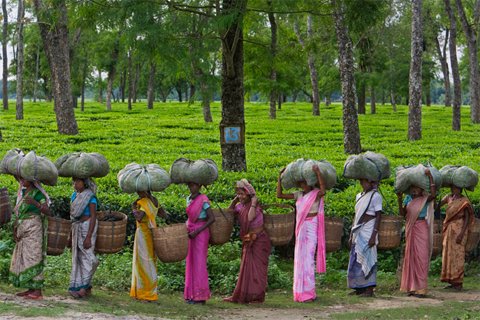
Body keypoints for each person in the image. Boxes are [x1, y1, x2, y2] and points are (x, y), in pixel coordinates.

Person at [277, 165, 326, 302]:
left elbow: (323, 190)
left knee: (309, 259)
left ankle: (309, 293)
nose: (302, 185)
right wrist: (279, 178)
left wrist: (317, 172)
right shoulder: (298, 195)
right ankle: (299, 292)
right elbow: (279, 195)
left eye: (305, 183)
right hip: (301, 227)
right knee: (300, 259)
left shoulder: (316, 193)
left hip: (312, 225)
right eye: (301, 183)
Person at [224, 179, 271, 304]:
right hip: (248, 240)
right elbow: (228, 213)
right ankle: (245, 294)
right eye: (238, 194)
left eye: (242, 194)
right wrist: (234, 201)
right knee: (246, 269)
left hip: (259, 240)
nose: (240, 197)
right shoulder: (239, 206)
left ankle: (257, 297)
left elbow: (250, 217)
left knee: (258, 270)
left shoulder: (254, 205)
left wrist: (254, 203)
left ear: (248, 194)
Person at [397, 168, 436, 298]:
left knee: (421, 257)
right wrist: (399, 198)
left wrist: (430, 177)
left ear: (421, 189)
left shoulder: (425, 198)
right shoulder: (408, 199)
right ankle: (412, 288)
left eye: (416, 188)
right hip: (411, 228)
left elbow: (434, 194)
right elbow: (403, 214)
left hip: (421, 227)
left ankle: (421, 288)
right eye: (412, 188)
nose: (414, 190)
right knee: (411, 258)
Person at [10, 177, 51, 300]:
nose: (21, 181)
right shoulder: (22, 192)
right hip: (22, 230)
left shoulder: (39, 194)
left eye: (24, 179)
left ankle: (37, 291)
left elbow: (48, 211)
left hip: (34, 230)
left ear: (32, 180)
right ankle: (30, 288)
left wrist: (35, 203)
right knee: (24, 258)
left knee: (34, 257)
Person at [347, 179, 382, 297]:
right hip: (358, 230)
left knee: (368, 258)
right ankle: (358, 287)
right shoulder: (359, 196)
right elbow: (356, 215)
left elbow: (378, 216)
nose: (364, 184)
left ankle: (369, 289)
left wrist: (374, 235)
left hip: (369, 229)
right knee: (356, 258)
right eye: (363, 182)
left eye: (367, 182)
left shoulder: (376, 196)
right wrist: (352, 234)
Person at [130, 190, 166, 301]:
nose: (137, 192)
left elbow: (139, 217)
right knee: (150, 262)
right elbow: (163, 214)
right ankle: (149, 291)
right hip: (152, 234)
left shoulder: (143, 202)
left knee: (142, 263)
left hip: (143, 235)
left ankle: (145, 293)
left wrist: (133, 207)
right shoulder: (154, 200)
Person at [437, 185, 474, 291]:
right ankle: (451, 281)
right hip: (449, 229)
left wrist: (462, 233)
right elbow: (437, 206)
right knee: (448, 254)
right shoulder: (448, 197)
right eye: (452, 188)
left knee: (458, 255)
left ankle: (458, 282)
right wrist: (436, 198)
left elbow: (467, 218)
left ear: (460, 189)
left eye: (456, 188)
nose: (454, 190)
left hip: (459, 228)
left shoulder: (464, 201)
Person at [184, 182, 215, 304]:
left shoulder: (203, 199)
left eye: (194, 185)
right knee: (190, 262)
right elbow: (189, 217)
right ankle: (191, 295)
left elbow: (212, 218)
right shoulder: (188, 199)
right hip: (191, 230)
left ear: (199, 186)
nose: (191, 188)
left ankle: (200, 297)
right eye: (190, 186)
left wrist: (197, 231)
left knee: (200, 263)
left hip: (201, 232)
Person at [68, 177, 99, 298]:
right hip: (76, 227)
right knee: (78, 258)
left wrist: (88, 236)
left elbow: (93, 216)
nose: (75, 184)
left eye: (78, 181)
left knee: (88, 258)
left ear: (84, 183)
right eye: (74, 182)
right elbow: (73, 217)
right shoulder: (74, 196)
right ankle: (83, 287)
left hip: (87, 227)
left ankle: (84, 286)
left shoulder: (90, 197)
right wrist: (70, 236)